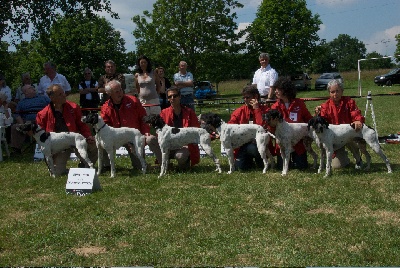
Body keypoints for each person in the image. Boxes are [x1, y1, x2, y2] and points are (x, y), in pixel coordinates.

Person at [36, 84, 97, 176]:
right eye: (60, 94)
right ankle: (62, 168)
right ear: (52, 98)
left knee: (94, 145)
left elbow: (82, 125)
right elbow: (40, 136)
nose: (64, 95)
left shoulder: (74, 107)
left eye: (63, 92)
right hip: (58, 146)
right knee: (58, 172)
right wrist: (50, 151)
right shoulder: (42, 114)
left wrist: (88, 136)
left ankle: (85, 166)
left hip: (75, 139)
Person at [100, 80, 161, 171]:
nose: (120, 93)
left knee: (150, 140)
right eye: (116, 91)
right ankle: (107, 166)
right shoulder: (105, 108)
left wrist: (146, 132)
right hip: (115, 138)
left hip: (133, 137)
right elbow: (104, 126)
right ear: (109, 94)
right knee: (102, 141)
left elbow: (143, 118)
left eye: (120, 90)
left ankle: (163, 163)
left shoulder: (133, 100)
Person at [315, 79, 365, 168]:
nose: (335, 94)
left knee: (355, 137)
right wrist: (317, 114)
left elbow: (356, 114)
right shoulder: (325, 106)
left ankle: (358, 159)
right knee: (337, 166)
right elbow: (321, 122)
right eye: (332, 92)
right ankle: (343, 157)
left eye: (337, 91)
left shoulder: (350, 102)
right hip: (335, 138)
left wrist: (358, 120)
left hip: (349, 135)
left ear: (342, 91)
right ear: (329, 93)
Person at [271, 76, 313, 170]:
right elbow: (271, 128)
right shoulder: (275, 107)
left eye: (278, 89)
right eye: (275, 89)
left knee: (302, 167)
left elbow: (308, 119)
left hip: (298, 144)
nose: (275, 92)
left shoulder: (299, 103)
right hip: (282, 144)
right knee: (282, 167)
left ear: (286, 90)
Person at [156, 86, 201, 169]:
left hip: (184, 145)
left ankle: (184, 162)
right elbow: (159, 131)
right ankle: (166, 165)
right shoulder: (163, 113)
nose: (172, 98)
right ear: (168, 99)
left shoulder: (189, 112)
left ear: (180, 97)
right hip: (168, 145)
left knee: (181, 157)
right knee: (153, 143)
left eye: (175, 96)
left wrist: (188, 144)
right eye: (169, 97)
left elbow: (196, 130)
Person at [228, 84, 270, 171]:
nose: (245, 100)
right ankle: (248, 161)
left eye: (247, 97)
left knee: (254, 148)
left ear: (256, 96)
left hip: (258, 143)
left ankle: (261, 161)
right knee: (240, 168)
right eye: (244, 98)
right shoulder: (239, 111)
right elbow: (230, 126)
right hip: (242, 145)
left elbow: (262, 126)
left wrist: (257, 109)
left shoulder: (265, 110)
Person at [10, 85, 50, 154]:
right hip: (27, 122)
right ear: (26, 92)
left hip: (43, 120)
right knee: (14, 127)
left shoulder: (44, 98)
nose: (33, 88)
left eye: (32, 87)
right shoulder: (21, 102)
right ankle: (16, 149)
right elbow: (16, 114)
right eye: (30, 88)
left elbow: (52, 107)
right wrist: (23, 125)